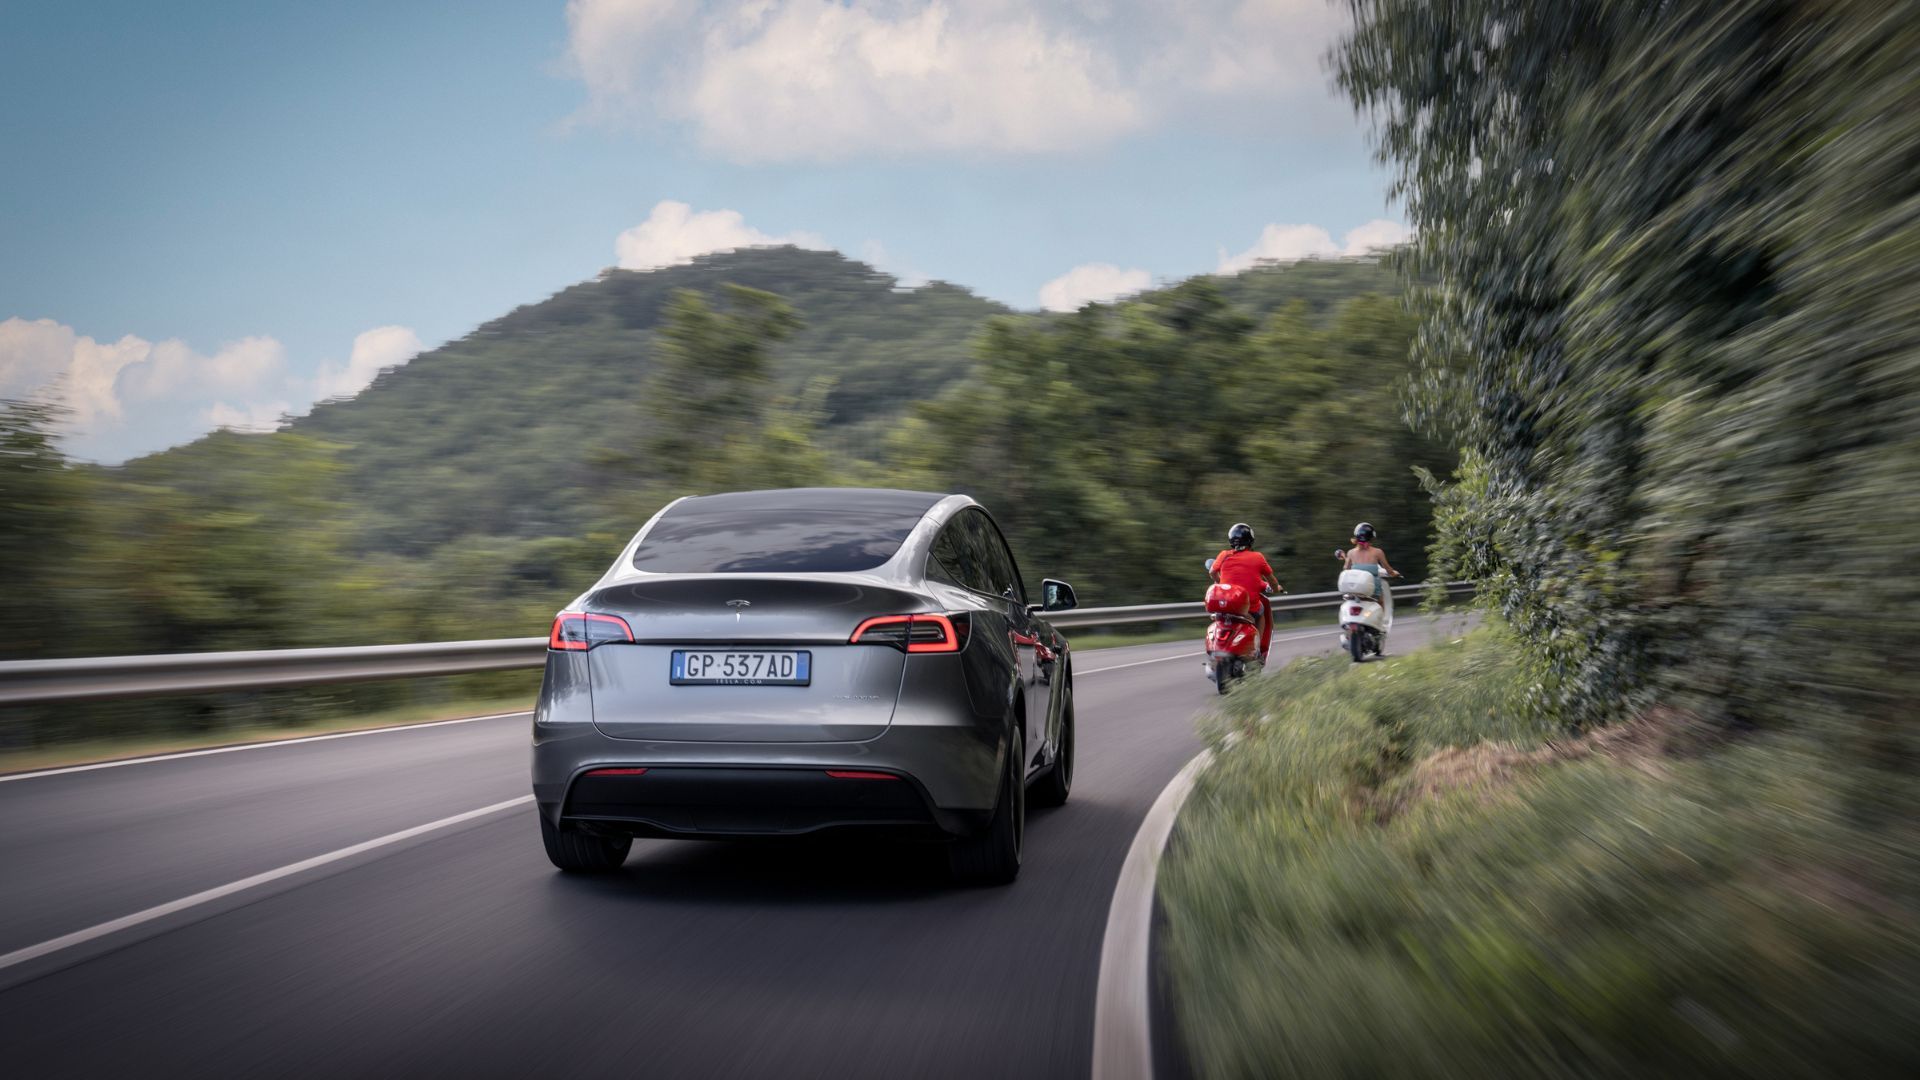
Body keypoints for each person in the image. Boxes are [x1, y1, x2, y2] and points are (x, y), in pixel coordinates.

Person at [1211, 522, 1285, 662]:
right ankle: (1257, 649)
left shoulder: (1223, 555)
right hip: (1247, 608)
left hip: (1225, 604)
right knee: (1262, 611)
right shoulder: (1257, 557)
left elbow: (1212, 571)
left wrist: (1219, 582)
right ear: (1250, 540)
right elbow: (1271, 579)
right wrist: (1276, 589)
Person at [1335, 522, 1402, 624]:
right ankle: (1381, 625)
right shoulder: (1378, 552)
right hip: (1372, 590)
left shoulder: (1350, 553)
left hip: (1355, 589)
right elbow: (1388, 570)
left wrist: (1346, 558)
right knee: (1381, 601)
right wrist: (1394, 573)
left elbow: (1346, 569)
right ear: (1371, 537)